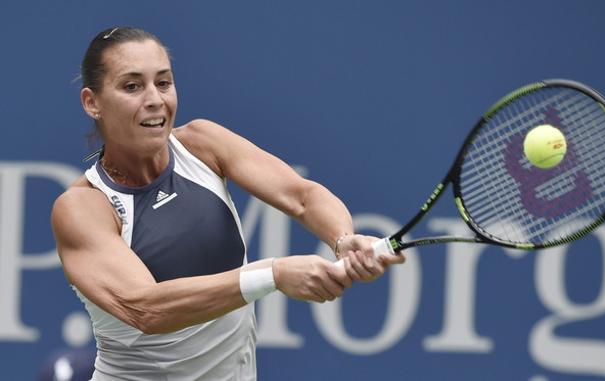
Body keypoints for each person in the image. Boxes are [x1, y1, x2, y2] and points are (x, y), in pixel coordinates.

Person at [51, 26, 404, 380]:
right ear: (92, 102)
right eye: (132, 86)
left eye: (164, 82)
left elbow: (302, 196)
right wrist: (273, 275)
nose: (155, 99)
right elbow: (146, 308)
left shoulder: (203, 144)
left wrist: (343, 240)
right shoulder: (83, 208)